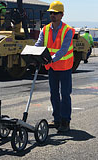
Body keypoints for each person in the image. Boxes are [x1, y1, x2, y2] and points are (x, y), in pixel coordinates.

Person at [35, 1, 75, 132]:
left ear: (61, 15)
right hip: (52, 68)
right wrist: (33, 53)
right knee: (54, 94)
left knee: (65, 94)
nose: (52, 15)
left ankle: (65, 121)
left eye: (55, 13)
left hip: (64, 67)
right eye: (51, 13)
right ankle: (57, 119)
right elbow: (39, 43)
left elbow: (63, 50)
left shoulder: (68, 30)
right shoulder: (45, 29)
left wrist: (50, 59)